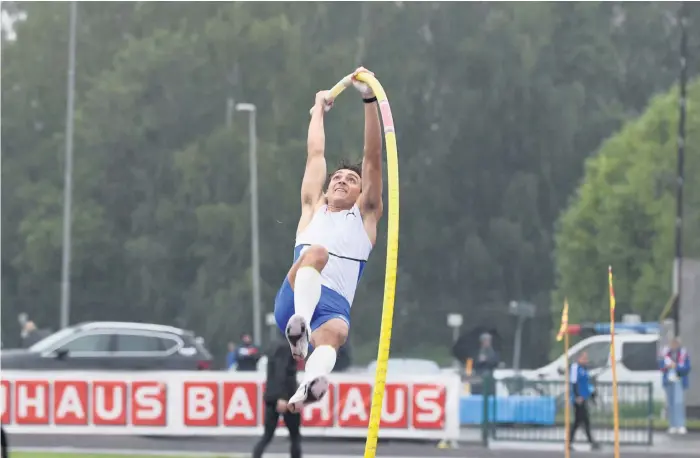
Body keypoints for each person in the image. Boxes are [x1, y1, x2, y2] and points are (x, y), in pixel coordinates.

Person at [273, 66, 384, 411]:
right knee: (317, 253)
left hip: (333, 305)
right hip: (294, 299)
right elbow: (315, 154)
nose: (340, 181)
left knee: (336, 334)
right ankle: (300, 328)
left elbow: (373, 160)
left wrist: (369, 99)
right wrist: (318, 110)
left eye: (351, 180)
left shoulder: (365, 217)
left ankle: (309, 385)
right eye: (337, 178)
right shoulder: (311, 209)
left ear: (361, 191)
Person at [252, 341, 302, 458]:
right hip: (285, 397)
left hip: (273, 395)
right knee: (295, 437)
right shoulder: (286, 348)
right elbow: (281, 372)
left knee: (267, 436)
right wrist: (282, 397)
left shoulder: (275, 347)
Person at [659, 337, 691, 434]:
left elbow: (687, 368)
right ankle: (672, 425)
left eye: (676, 343)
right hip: (668, 380)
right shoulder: (665, 353)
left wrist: (677, 366)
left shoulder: (683, 353)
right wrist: (666, 366)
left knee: (678, 403)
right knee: (670, 403)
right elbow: (660, 366)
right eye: (672, 343)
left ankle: (680, 425)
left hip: (679, 380)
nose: (674, 345)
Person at [569, 351, 600, 450]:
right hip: (578, 399)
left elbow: (587, 384)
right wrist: (577, 396)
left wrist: (592, 395)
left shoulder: (584, 369)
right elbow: (574, 383)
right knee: (582, 421)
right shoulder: (575, 368)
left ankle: (589, 442)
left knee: (580, 421)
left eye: (586, 358)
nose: (586, 360)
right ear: (578, 358)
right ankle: (591, 442)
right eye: (583, 358)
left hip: (584, 398)